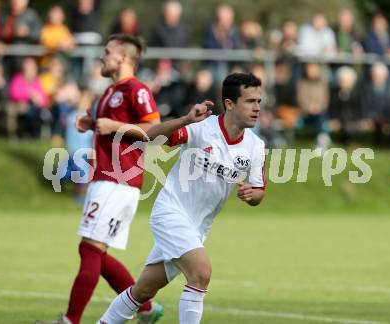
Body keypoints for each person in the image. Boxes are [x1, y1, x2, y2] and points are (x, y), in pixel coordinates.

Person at [97, 72, 266, 324]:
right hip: (170, 212)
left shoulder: (255, 146)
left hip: (197, 229)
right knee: (201, 273)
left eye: (259, 102)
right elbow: (152, 136)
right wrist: (186, 119)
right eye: (250, 101)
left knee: (143, 290)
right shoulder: (201, 128)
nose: (257, 108)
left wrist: (253, 195)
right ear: (230, 104)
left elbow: (259, 191)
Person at [36, 34, 163, 324]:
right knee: (94, 250)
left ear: (123, 58)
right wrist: (93, 124)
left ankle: (71, 320)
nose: (103, 57)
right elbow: (113, 130)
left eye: (108, 52)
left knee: (91, 249)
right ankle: (145, 309)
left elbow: (154, 129)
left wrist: (115, 125)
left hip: (117, 181)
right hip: (105, 179)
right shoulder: (109, 91)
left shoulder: (136, 89)